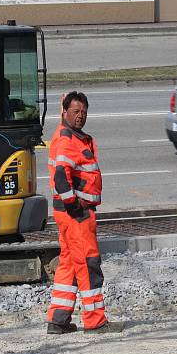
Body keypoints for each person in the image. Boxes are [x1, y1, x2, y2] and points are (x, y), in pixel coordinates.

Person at [46, 91, 123, 334]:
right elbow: (61, 178)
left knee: (69, 264)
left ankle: (58, 320)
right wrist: (75, 206)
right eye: (76, 112)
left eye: (84, 112)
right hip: (76, 216)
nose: (80, 116)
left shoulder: (70, 137)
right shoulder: (68, 140)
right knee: (88, 265)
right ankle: (95, 321)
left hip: (68, 215)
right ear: (65, 113)